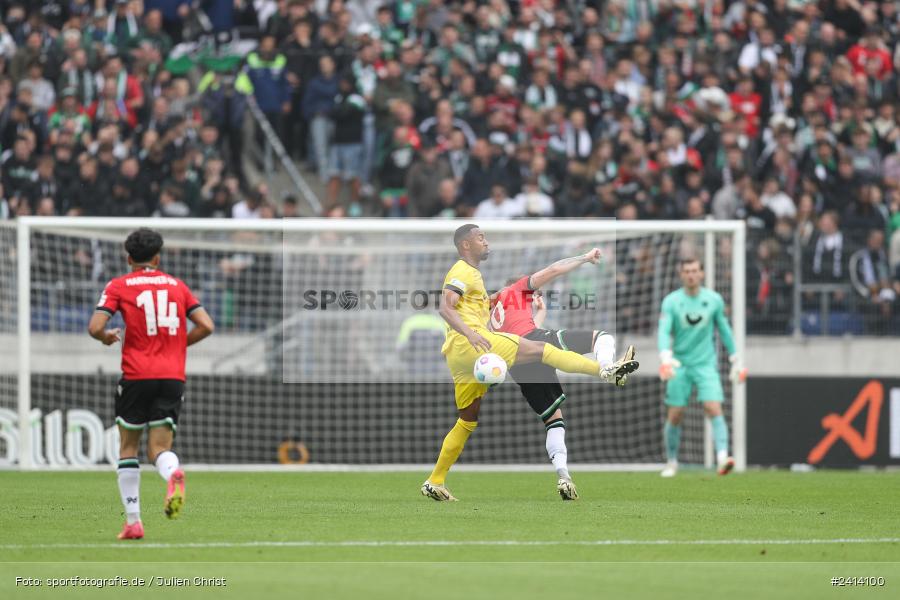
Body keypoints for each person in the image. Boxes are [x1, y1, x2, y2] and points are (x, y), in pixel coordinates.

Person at [422, 225, 638, 501]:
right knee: (543, 348)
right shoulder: (465, 271)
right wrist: (584, 257)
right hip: (474, 344)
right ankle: (605, 370)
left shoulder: (487, 293)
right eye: (480, 238)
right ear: (466, 245)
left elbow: (478, 309)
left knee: (468, 420)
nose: (486, 242)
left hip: (463, 356)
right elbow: (445, 307)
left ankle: (435, 480)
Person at [88, 229, 215, 540]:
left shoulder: (119, 285)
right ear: (158, 258)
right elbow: (207, 326)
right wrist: (177, 346)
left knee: (128, 447)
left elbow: (95, 327)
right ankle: (173, 473)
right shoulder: (178, 286)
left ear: (129, 258)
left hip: (136, 376)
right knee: (159, 447)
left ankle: (134, 522)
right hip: (172, 377)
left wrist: (106, 338)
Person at [491, 251, 638, 499]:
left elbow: (520, 332)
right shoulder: (517, 290)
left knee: (554, 421)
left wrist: (540, 312)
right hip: (533, 341)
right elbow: (553, 269)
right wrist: (584, 258)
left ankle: (564, 476)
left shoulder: (494, 308)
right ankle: (607, 367)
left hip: (518, 363)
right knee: (602, 337)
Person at [657, 259, 746, 478]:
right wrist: (665, 355)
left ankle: (723, 458)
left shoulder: (713, 300)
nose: (691, 275)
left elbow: (724, 330)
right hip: (680, 364)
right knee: (675, 414)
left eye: (695, 271)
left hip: (706, 364)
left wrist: (735, 357)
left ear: (702, 274)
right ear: (681, 275)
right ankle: (671, 461)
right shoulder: (671, 301)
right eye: (687, 271)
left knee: (713, 407)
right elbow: (663, 329)